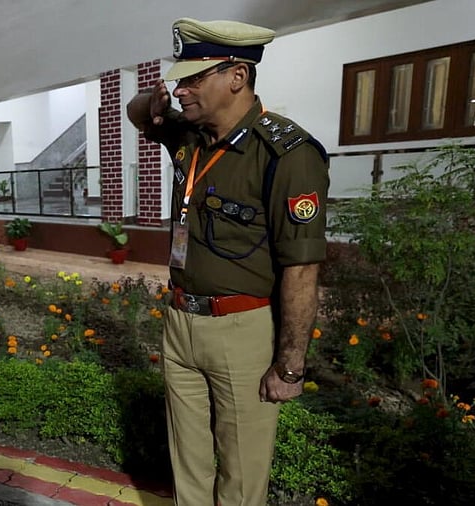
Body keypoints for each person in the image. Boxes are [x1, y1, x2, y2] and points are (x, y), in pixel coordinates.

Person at [126, 19, 329, 506]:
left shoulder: (285, 153)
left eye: (194, 78)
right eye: (180, 80)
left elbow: (302, 268)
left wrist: (290, 365)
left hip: (243, 329)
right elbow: (138, 115)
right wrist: (150, 102)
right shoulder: (191, 138)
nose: (181, 90)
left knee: (241, 476)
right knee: (188, 467)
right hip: (181, 322)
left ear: (237, 76)